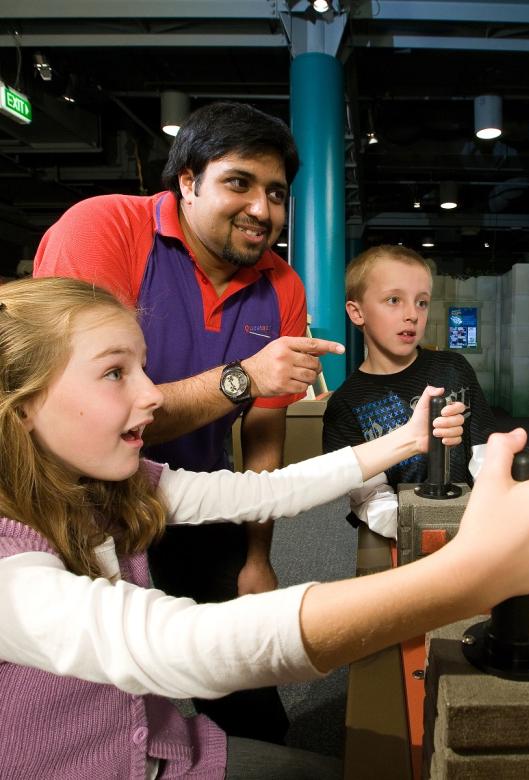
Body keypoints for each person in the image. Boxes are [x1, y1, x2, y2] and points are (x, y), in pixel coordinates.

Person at [0, 277, 529, 779]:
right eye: (113, 373)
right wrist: (474, 574)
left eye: (142, 368)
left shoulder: (115, 482)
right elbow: (182, 646)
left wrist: (406, 439)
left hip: (171, 755)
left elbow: (264, 492)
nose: (152, 394)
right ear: (21, 405)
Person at [33, 101, 343, 741]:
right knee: (98, 709)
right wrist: (243, 377)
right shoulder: (105, 229)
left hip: (195, 498)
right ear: (187, 182)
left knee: (248, 693)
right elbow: (91, 419)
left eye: (277, 192)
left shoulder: (282, 285)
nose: (263, 208)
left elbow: (264, 433)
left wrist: (257, 557)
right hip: (76, 507)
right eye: (239, 183)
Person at [323, 244, 496, 538]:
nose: (412, 315)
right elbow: (372, 500)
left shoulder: (454, 369)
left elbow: (486, 456)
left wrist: (486, 516)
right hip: (401, 539)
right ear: (357, 312)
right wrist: (431, 528)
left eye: (422, 303)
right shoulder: (345, 406)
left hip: (474, 528)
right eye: (394, 300)